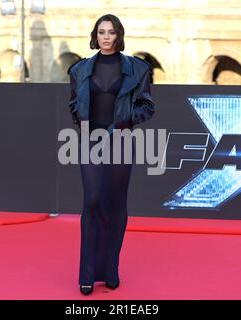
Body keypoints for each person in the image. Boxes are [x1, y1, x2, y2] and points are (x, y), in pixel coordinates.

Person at [67, 14, 155, 295]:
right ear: (95, 35)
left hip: (121, 141)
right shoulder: (79, 70)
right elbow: (73, 103)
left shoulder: (138, 69)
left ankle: (111, 270)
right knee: (92, 201)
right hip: (90, 142)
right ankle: (87, 274)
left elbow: (147, 106)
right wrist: (82, 123)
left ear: (119, 35)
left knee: (115, 204)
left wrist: (124, 122)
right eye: (101, 32)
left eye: (111, 32)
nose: (106, 37)